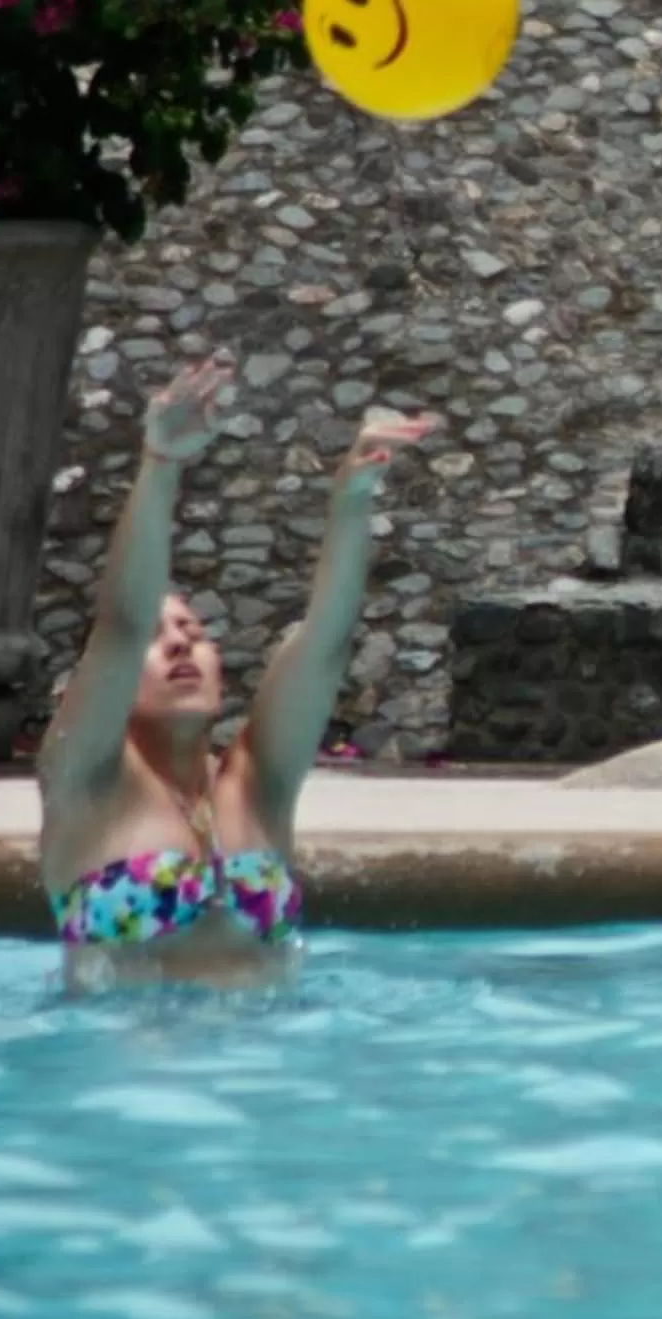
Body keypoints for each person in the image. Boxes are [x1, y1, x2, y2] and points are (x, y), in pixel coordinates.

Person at [36, 351, 434, 988]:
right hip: (123, 1052)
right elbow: (122, 625)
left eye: (194, 634)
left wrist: (352, 500)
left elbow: (325, 645)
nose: (179, 645)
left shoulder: (256, 781)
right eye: (160, 639)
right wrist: (160, 464)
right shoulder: (85, 780)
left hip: (269, 1047)